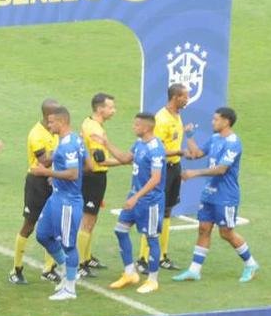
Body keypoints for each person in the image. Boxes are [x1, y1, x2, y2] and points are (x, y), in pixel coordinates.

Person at [172, 107, 260, 283]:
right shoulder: (215, 139)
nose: (212, 122)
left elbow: (221, 169)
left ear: (226, 121)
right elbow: (196, 153)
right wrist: (189, 136)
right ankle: (194, 270)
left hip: (226, 196)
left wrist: (194, 174)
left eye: (216, 119)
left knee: (226, 233)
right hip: (209, 194)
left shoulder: (233, 143)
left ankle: (251, 264)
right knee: (204, 229)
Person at [30, 106, 95, 301]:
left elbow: (74, 173)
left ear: (61, 122)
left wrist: (47, 173)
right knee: (42, 234)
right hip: (56, 198)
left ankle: (70, 289)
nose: (48, 125)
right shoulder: (73, 140)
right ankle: (68, 271)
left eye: (51, 122)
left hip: (68, 202)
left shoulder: (67, 144)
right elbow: (89, 166)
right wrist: (58, 177)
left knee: (68, 245)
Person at [103, 113, 166, 293]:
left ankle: (153, 280)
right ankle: (130, 273)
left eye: (136, 125)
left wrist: (135, 197)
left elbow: (155, 179)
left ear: (146, 127)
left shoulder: (156, 148)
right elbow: (124, 158)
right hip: (136, 198)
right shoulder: (139, 144)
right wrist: (106, 144)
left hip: (150, 201)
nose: (133, 127)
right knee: (120, 230)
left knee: (151, 238)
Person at [9, 99, 61, 285]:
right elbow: (44, 161)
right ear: (49, 116)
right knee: (29, 225)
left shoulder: (54, 131)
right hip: (36, 182)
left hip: (51, 179)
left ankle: (49, 269)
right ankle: (16, 269)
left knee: (54, 225)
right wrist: (62, 150)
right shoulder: (36, 134)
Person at [139, 84, 190, 272]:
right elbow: (156, 148)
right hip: (163, 169)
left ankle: (161, 255)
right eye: (185, 96)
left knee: (167, 211)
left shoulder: (177, 115)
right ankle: (143, 258)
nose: (187, 99)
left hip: (174, 166)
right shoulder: (161, 119)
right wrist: (179, 151)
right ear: (175, 97)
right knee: (154, 212)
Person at [79, 93, 119, 274]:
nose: (114, 111)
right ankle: (80, 263)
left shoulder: (88, 123)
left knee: (91, 218)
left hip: (93, 177)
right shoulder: (95, 129)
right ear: (100, 108)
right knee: (88, 220)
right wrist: (127, 159)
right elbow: (100, 161)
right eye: (111, 107)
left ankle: (86, 257)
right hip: (93, 177)